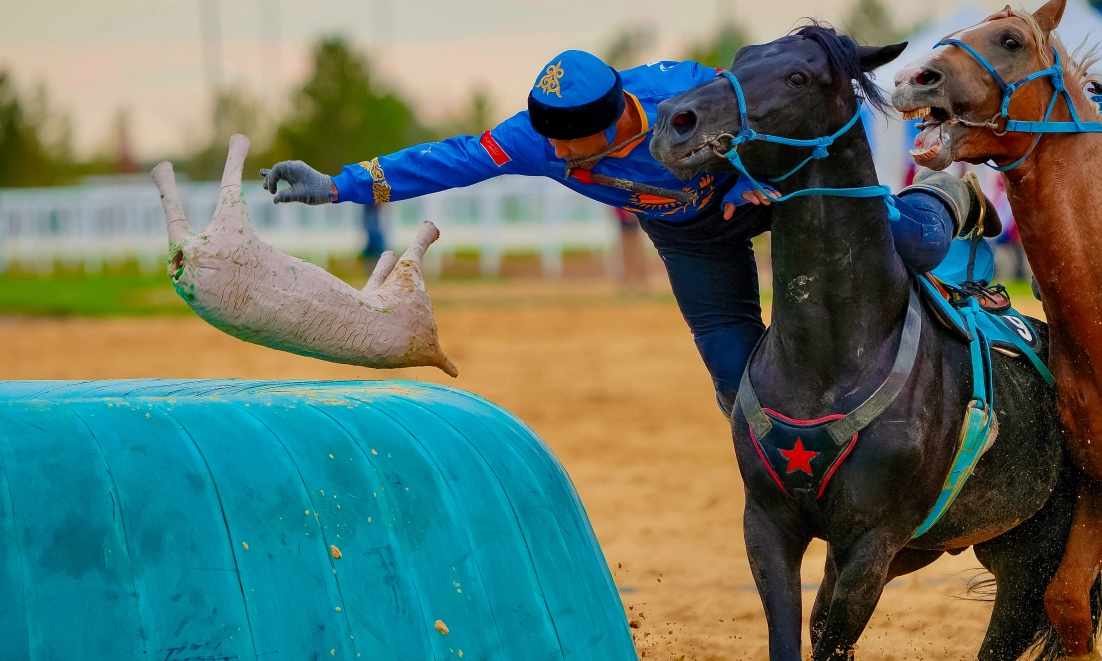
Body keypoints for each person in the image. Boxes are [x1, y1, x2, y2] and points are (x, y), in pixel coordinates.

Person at [262, 50, 975, 413]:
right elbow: (448, 160)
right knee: (740, 394)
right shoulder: (536, 139)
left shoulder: (687, 91)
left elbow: (777, 115)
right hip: (690, 237)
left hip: (771, 193)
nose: (559, 160)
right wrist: (335, 185)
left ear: (619, 118)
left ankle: (945, 196)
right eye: (550, 146)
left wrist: (761, 174)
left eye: (572, 148)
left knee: (913, 246)